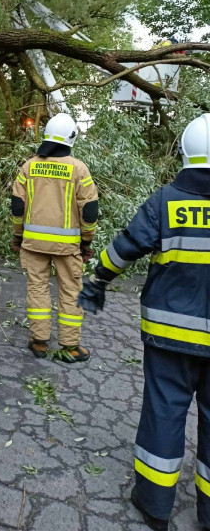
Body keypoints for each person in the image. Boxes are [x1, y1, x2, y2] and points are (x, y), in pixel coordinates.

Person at [78, 113, 210, 531]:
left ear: (185, 154)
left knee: (164, 412)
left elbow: (126, 247)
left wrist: (98, 279)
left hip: (169, 336)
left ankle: (154, 504)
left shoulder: (165, 201)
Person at [11, 112, 99, 362]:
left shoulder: (29, 166)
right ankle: (70, 346)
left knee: (37, 289)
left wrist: (18, 237)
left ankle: (39, 342)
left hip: (33, 244)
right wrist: (87, 242)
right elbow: (90, 212)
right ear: (71, 137)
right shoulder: (79, 169)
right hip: (68, 247)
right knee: (70, 292)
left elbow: (17, 206)